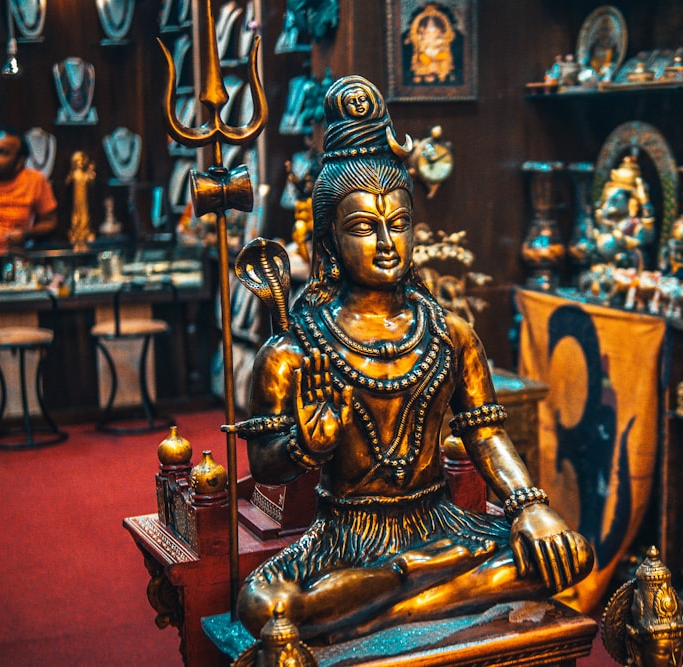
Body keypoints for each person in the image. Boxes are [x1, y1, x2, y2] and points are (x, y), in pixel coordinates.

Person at [233, 75, 593, 644]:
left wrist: (528, 507)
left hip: (439, 522)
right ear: (328, 240)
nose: (386, 243)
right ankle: (408, 592)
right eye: (363, 227)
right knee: (264, 604)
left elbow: (486, 433)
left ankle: (390, 604)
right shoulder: (294, 351)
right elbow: (266, 465)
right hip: (345, 537)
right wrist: (307, 444)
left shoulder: (450, 333)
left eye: (398, 224)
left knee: (570, 554)